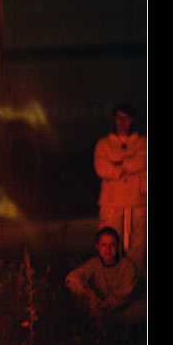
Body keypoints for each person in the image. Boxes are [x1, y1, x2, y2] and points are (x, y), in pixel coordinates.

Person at [93, 102, 146, 277]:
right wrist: (125, 167)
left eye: (127, 118)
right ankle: (109, 284)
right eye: (119, 118)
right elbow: (101, 168)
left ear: (133, 120)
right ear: (114, 119)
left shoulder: (142, 143)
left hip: (137, 203)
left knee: (137, 249)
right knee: (109, 246)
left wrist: (117, 165)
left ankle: (133, 284)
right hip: (111, 203)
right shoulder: (104, 144)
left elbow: (142, 160)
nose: (123, 123)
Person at [65, 226, 144, 325]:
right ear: (97, 246)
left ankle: (112, 321)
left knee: (141, 308)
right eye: (104, 245)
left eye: (112, 245)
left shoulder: (128, 267)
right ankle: (101, 320)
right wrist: (88, 294)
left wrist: (106, 304)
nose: (108, 249)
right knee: (76, 297)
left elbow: (124, 295)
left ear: (118, 246)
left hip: (119, 308)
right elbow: (71, 278)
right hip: (96, 304)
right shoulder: (93, 264)